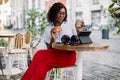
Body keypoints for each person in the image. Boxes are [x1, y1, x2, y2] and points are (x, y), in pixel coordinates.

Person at [21, 2, 77, 80]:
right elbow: (49, 50)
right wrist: (52, 38)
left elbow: (77, 40)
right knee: (40, 65)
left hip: (68, 56)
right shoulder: (48, 29)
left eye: (63, 13)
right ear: (54, 13)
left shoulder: (69, 25)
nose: (61, 15)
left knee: (39, 55)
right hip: (54, 55)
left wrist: (79, 32)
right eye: (59, 13)